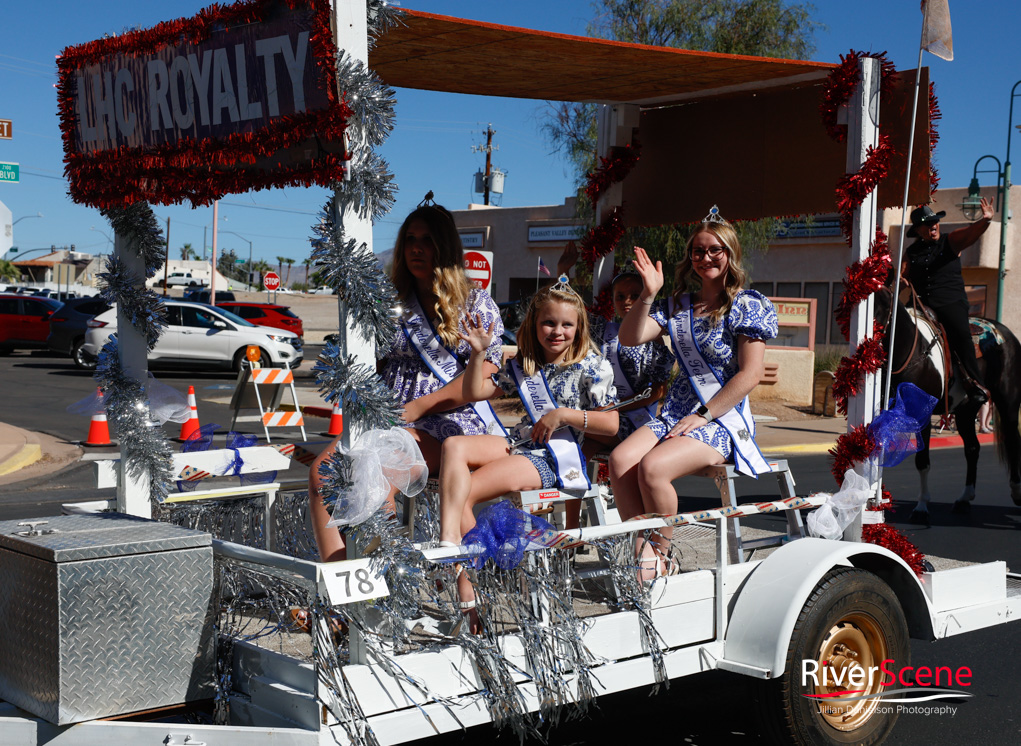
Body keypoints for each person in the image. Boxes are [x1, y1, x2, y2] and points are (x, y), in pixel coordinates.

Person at [309, 200, 506, 561]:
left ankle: (387, 588)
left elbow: (487, 379)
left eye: (428, 240)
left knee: (377, 472)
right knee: (324, 473)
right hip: (390, 417)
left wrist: (417, 407)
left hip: (447, 424)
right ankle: (340, 583)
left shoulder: (476, 303)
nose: (416, 248)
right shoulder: (390, 301)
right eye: (410, 239)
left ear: (444, 247)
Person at [437, 281, 619, 628]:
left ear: (579, 327)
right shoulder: (525, 363)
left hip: (555, 457)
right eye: (549, 323)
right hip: (521, 443)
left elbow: (610, 424)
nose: (557, 331)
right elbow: (476, 391)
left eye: (567, 324)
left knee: (465, 491)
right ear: (534, 325)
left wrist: (563, 414)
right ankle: (450, 539)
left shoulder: (592, 366)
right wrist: (478, 353)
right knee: (453, 446)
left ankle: (470, 592)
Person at [610, 207, 777, 580]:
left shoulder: (746, 304)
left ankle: (660, 555)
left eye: (714, 250)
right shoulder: (677, 306)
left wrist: (703, 415)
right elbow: (629, 337)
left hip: (719, 419)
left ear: (730, 253)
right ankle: (643, 552)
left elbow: (751, 375)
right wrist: (649, 294)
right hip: (674, 415)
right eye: (698, 252)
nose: (705, 258)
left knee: (652, 469)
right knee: (621, 461)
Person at [555, 247, 674, 528]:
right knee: (575, 449)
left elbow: (658, 391)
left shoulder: (655, 338)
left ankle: (643, 527)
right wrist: (563, 272)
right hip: (608, 422)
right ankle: (572, 529)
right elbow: (570, 309)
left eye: (635, 295)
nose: (627, 302)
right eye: (620, 297)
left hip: (637, 424)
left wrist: (616, 408)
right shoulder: (605, 331)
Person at [901, 198, 994, 404]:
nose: (932, 225)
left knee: (961, 334)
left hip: (950, 303)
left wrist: (985, 221)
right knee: (899, 329)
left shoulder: (949, 241)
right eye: (927, 223)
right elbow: (902, 278)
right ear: (918, 230)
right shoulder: (911, 252)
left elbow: (970, 234)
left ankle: (975, 383)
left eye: (934, 221)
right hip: (919, 305)